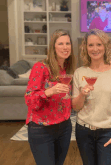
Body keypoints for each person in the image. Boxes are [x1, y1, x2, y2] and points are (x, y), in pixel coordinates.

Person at [72, 28, 111, 165]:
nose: (95, 49)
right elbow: (76, 107)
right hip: (83, 131)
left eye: (99, 44)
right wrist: (82, 95)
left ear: (105, 47)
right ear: (85, 48)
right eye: (91, 45)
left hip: (108, 132)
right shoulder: (79, 72)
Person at [25, 29, 76, 165]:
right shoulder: (40, 67)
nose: (65, 47)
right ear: (53, 47)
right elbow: (30, 99)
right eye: (60, 44)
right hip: (42, 129)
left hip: (64, 127)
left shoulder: (68, 69)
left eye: (68, 43)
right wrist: (49, 92)